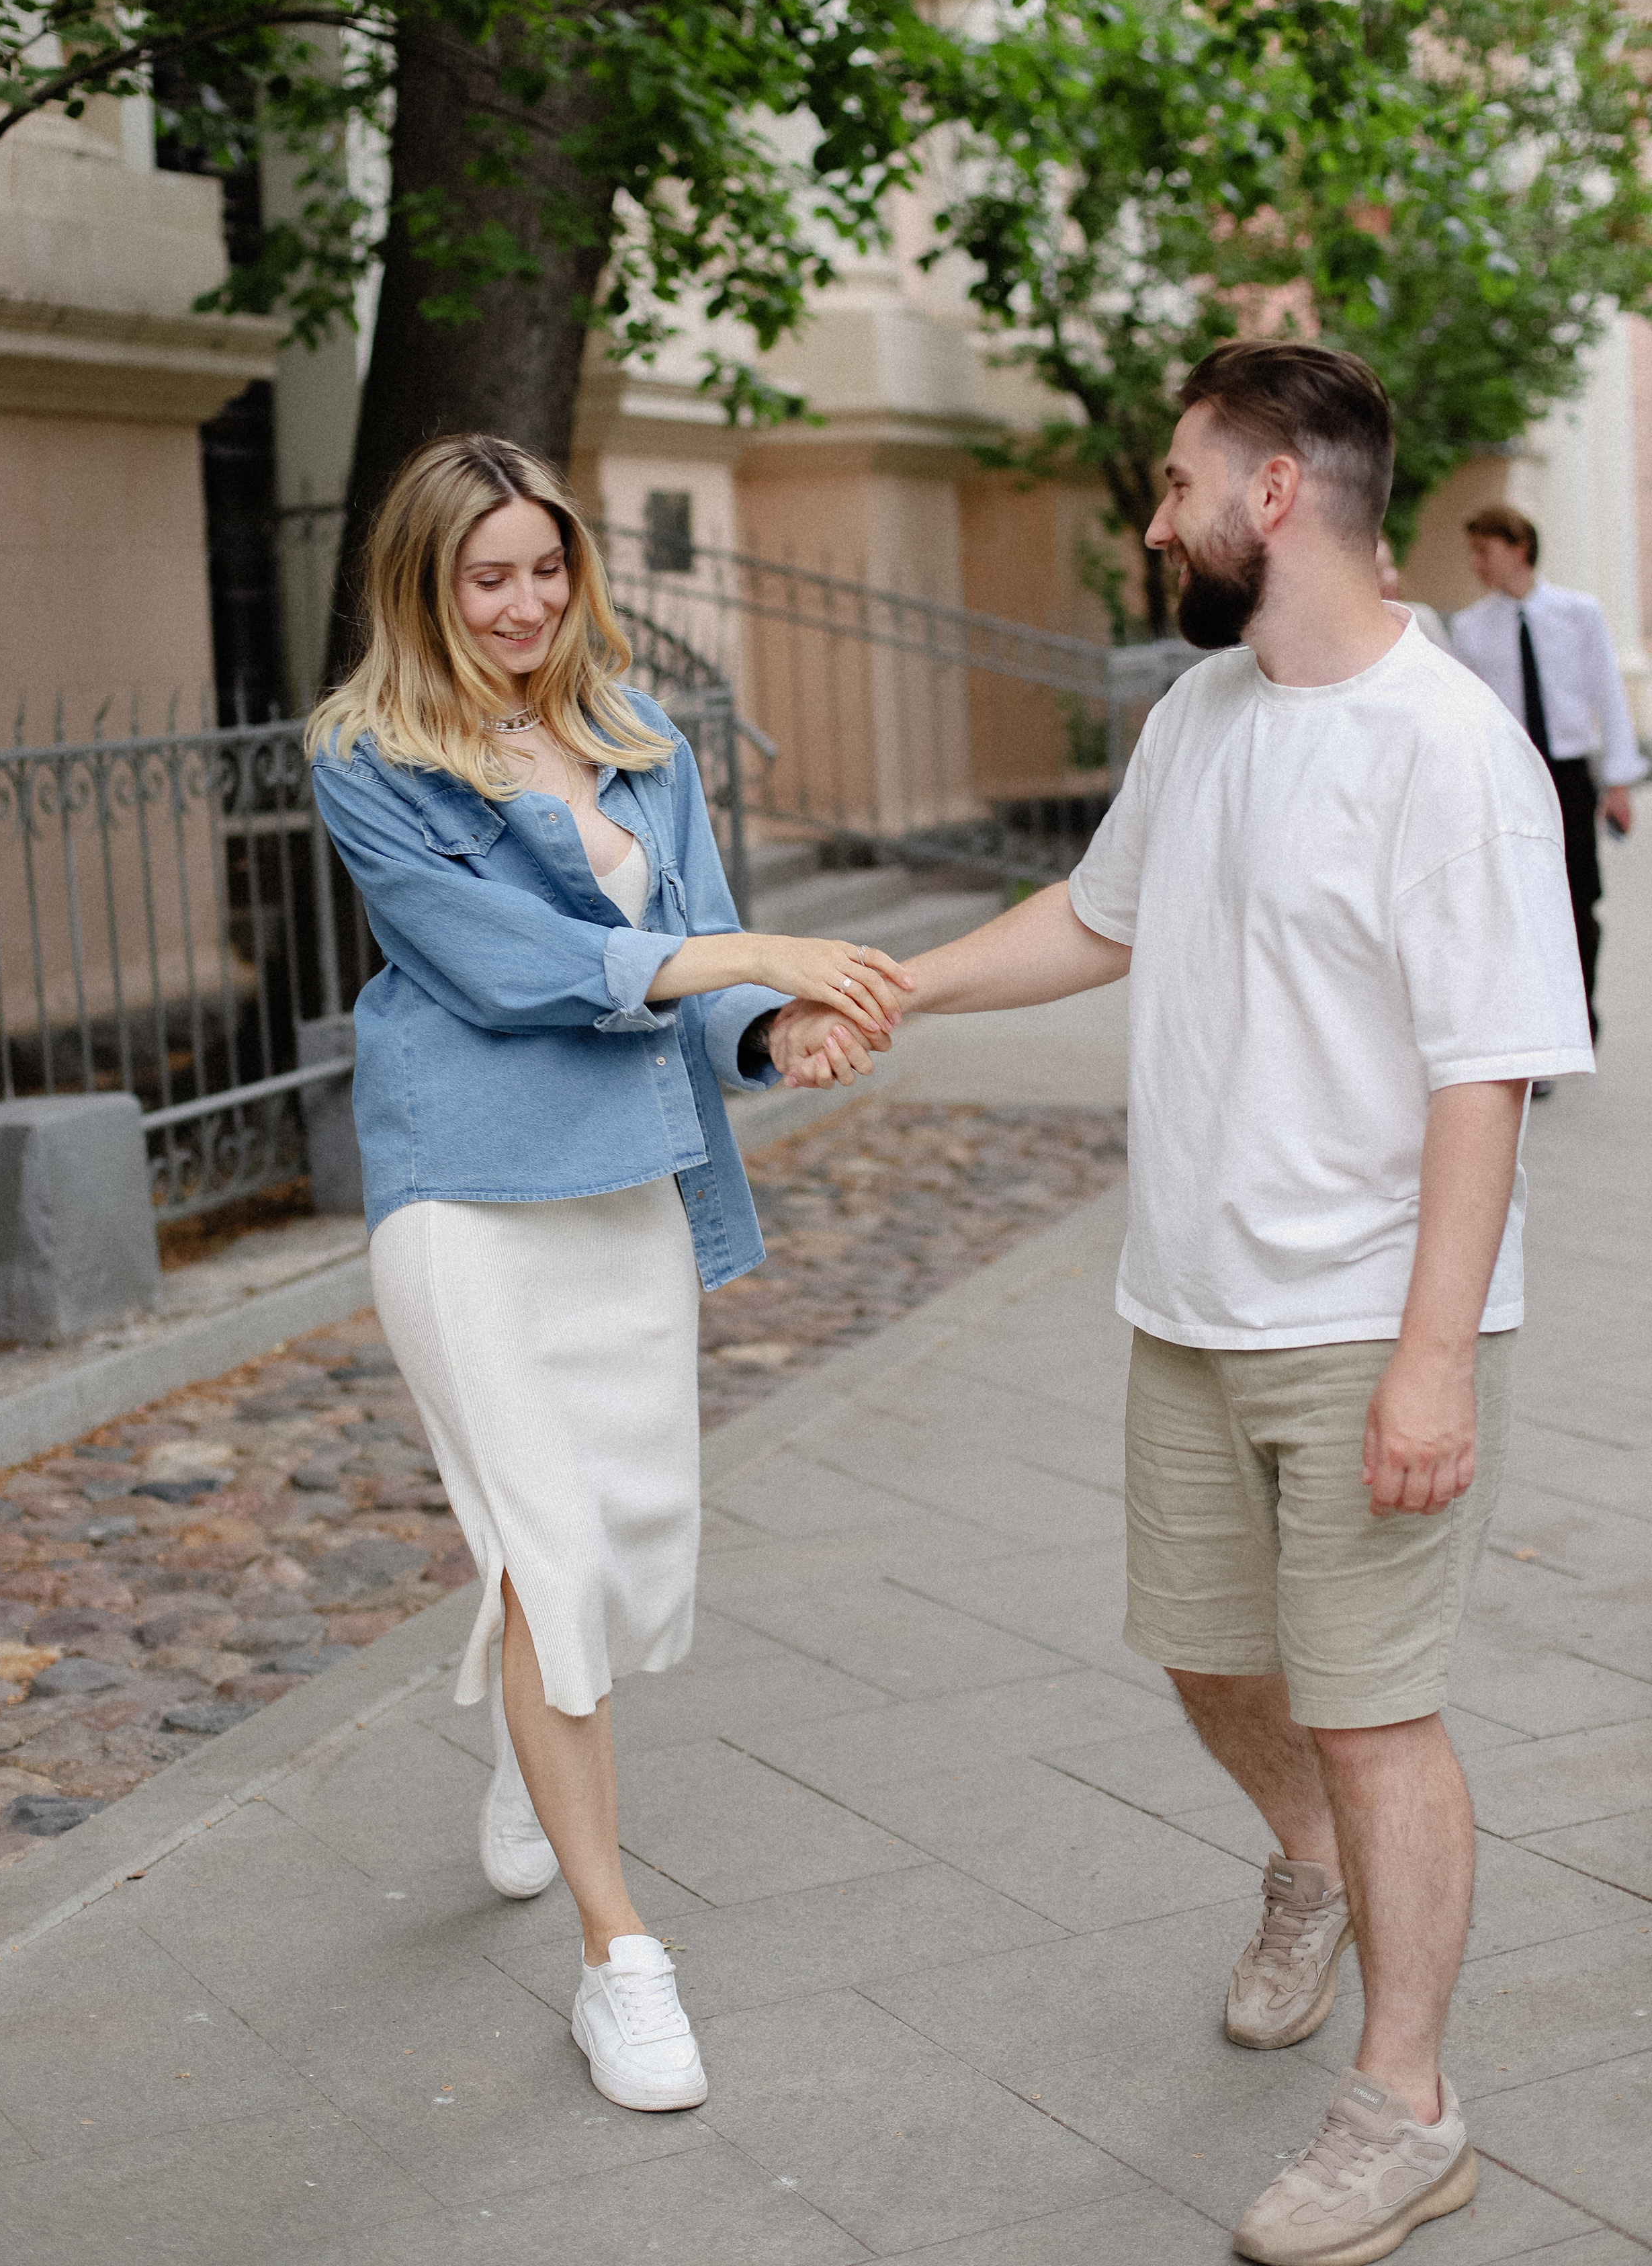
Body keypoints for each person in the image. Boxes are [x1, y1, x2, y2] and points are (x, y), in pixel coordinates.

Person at [811, 342, 1593, 2264]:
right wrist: (890, 990)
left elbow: (1485, 1071)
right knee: (1206, 1660)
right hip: (1192, 1299)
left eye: (1173, 483)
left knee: (1377, 1708)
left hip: (1363, 1320)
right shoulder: (1203, 714)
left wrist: (1432, 1366)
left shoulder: (1448, 748)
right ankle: (1307, 1867)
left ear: (1270, 495)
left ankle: (1409, 2110)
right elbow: (1100, 917)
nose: (1150, 515)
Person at [308, 435, 910, 2115]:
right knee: (552, 1549)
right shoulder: (369, 756)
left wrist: (774, 1021)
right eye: (483, 574)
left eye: (543, 566)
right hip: (466, 1193)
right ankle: (617, 1955)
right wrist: (740, 955)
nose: (521, 602)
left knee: (623, 1544)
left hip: (623, 1193)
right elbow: (506, 966)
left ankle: (523, 1726)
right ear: (423, 583)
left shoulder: (640, 744)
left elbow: (703, 964)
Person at [1448, 505, 1645, 1047]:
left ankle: (1580, 1014)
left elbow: (1607, 692)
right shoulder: (1469, 628)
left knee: (1579, 898)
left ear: (1519, 548)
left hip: (1570, 776)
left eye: (1484, 550)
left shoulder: (1579, 614)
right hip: (1509, 778)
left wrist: (1619, 784)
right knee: (1519, 901)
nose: (1475, 563)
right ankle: (1537, 1026)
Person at [1373, 536, 1449, 650]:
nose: (1390, 578)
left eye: (1390, 566)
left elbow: (1447, 663)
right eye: (1377, 573)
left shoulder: (1421, 618)